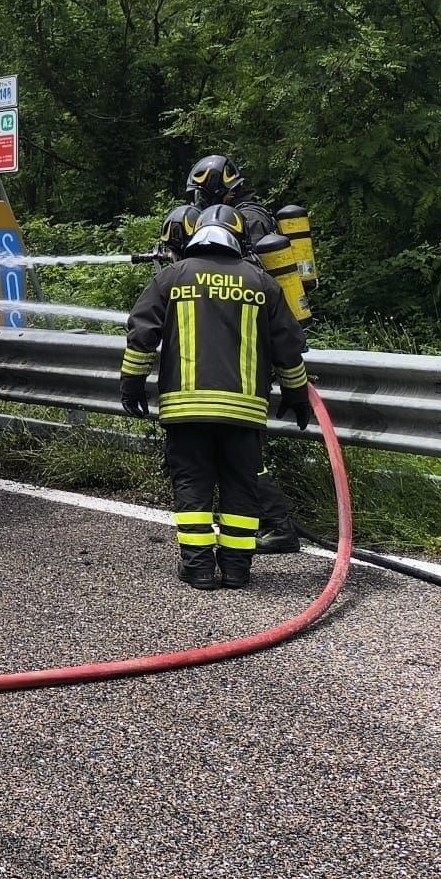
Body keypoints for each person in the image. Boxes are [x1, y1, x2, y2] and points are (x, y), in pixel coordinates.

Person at [120, 204, 312, 590]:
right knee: (241, 486)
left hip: (186, 408)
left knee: (193, 484)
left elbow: (142, 335)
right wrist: (296, 391)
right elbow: (288, 347)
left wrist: (132, 382)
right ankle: (238, 569)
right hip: (244, 411)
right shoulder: (262, 283)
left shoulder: (172, 277)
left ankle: (199, 568)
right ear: (240, 240)